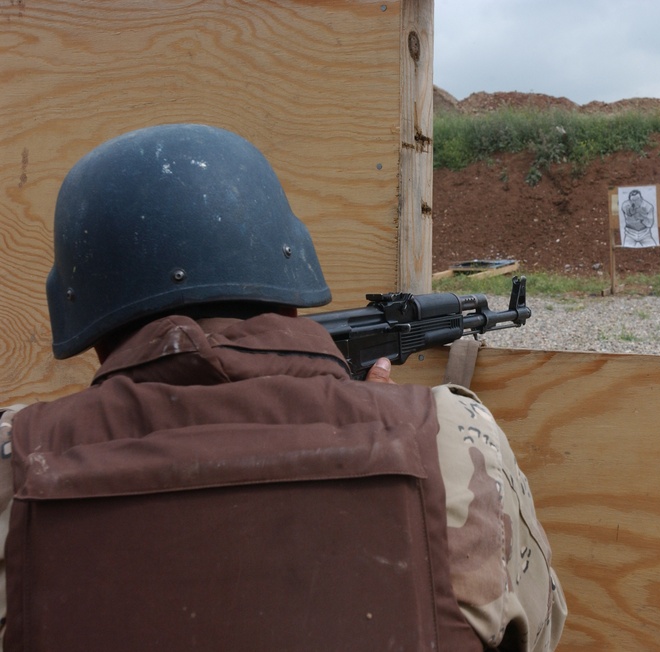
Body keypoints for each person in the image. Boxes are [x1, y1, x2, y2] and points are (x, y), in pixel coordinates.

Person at [0, 124, 566, 651]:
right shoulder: (455, 440)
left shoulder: (16, 459)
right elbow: (539, 629)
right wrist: (370, 412)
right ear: (290, 282)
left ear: (87, 319)